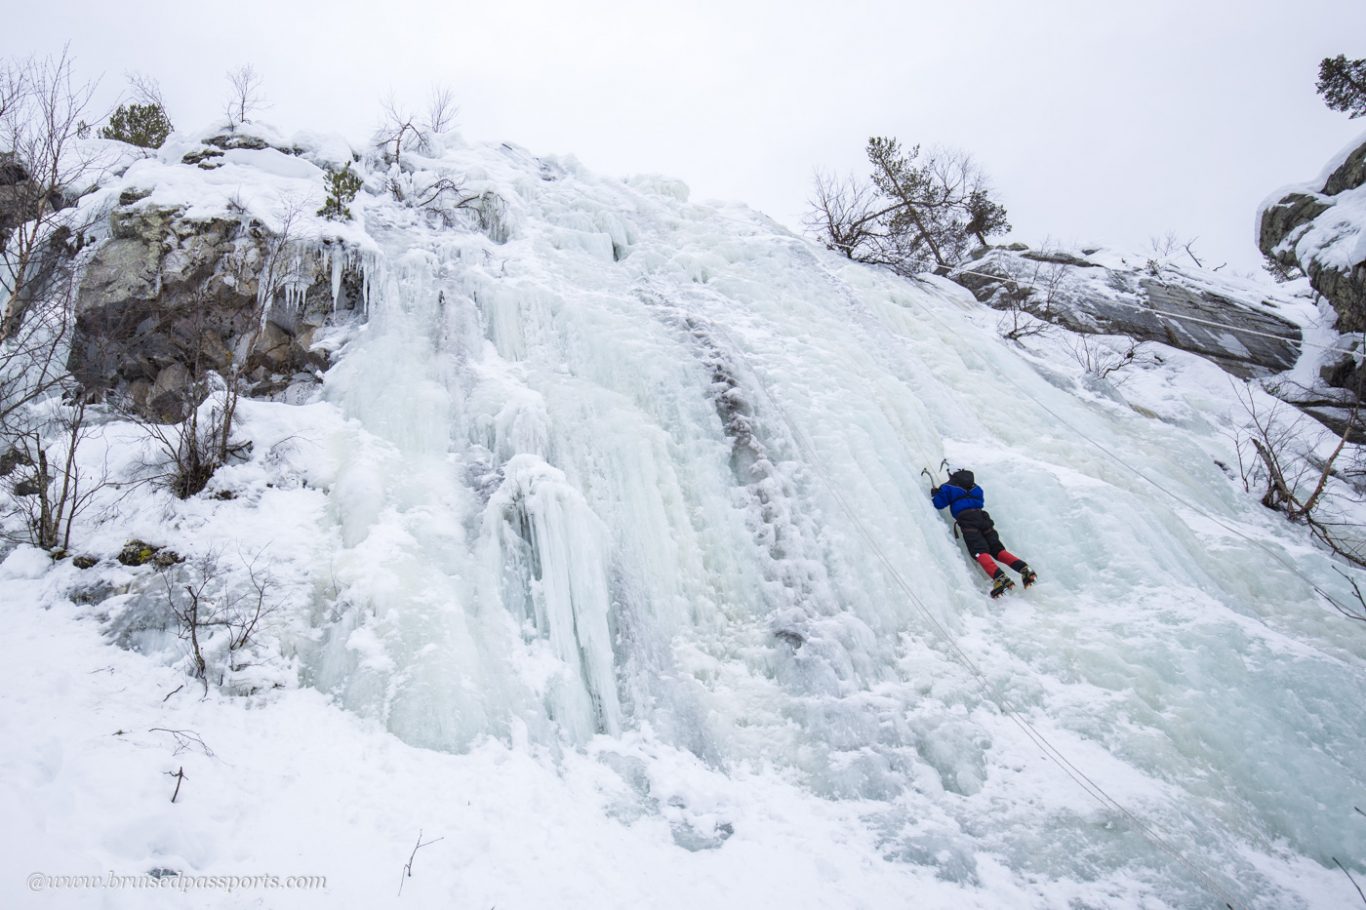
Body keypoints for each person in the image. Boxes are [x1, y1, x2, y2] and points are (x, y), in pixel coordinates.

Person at [931, 468, 1038, 598]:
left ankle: (1000, 578)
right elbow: (980, 502)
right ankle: (1025, 569)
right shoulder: (976, 487)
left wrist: (935, 492)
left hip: (968, 520)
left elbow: (938, 503)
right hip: (983, 518)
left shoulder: (948, 487)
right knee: (997, 550)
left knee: (979, 551)